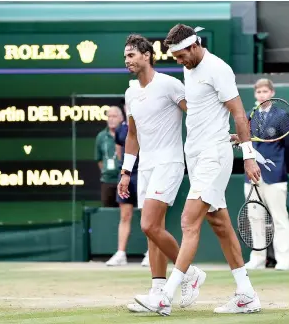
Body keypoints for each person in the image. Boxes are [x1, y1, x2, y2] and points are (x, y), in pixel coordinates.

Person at [134, 24, 262, 315]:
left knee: (189, 221)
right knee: (220, 224)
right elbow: (209, 113)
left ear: (194, 46)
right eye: (175, 56)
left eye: (180, 55)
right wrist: (222, 133)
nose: (178, 60)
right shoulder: (189, 68)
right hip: (198, 156)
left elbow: (239, 113)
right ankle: (246, 294)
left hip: (212, 158)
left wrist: (249, 155)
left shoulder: (218, 68)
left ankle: (165, 296)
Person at [118, 34, 206, 315]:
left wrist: (212, 138)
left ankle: (189, 273)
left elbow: (194, 114)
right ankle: (157, 292)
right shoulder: (131, 92)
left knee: (147, 225)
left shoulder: (170, 84)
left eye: (131, 55)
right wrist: (125, 171)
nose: (127, 61)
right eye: (125, 57)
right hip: (145, 167)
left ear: (147, 55)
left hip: (169, 163)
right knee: (153, 232)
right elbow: (132, 135)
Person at [242, 79, 289, 271]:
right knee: (255, 218)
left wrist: (279, 166)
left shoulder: (282, 116)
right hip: (252, 176)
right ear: (255, 95)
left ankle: (284, 259)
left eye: (265, 91)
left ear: (272, 93)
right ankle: (258, 259)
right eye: (259, 92)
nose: (262, 95)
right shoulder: (248, 117)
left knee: (280, 218)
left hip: (275, 174)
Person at [106, 106, 149, 267]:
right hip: (126, 176)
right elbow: (120, 153)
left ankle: (151, 253)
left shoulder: (146, 124)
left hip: (145, 173)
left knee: (148, 216)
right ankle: (121, 253)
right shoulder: (121, 130)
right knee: (125, 216)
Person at [95, 106, 123, 207]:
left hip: (124, 181)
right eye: (109, 116)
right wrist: (106, 172)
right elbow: (99, 159)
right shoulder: (101, 136)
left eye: (114, 116)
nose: (111, 119)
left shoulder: (127, 134)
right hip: (107, 182)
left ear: (121, 118)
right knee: (107, 212)